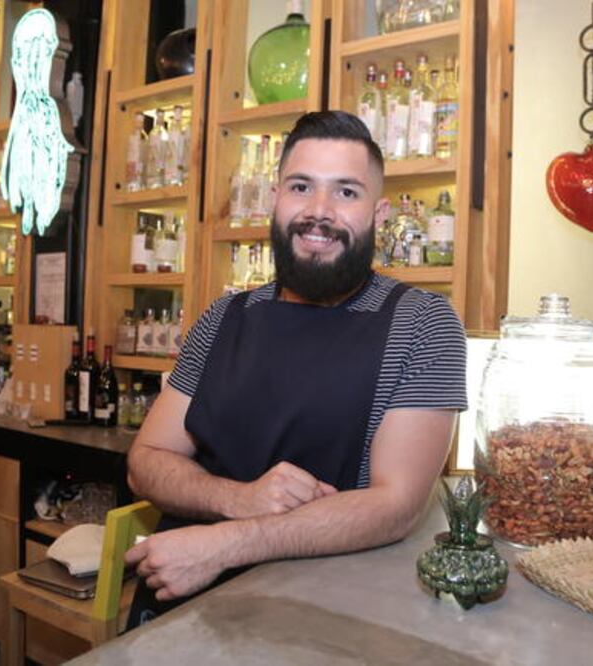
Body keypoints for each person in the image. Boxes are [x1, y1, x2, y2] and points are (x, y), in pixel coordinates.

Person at [124, 110, 467, 627]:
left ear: (379, 214)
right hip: (180, 598)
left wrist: (225, 545)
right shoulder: (223, 318)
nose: (318, 212)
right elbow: (145, 462)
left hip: (321, 618)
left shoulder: (422, 323)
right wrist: (239, 499)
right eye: (301, 187)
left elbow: (396, 506)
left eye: (346, 192)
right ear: (275, 199)